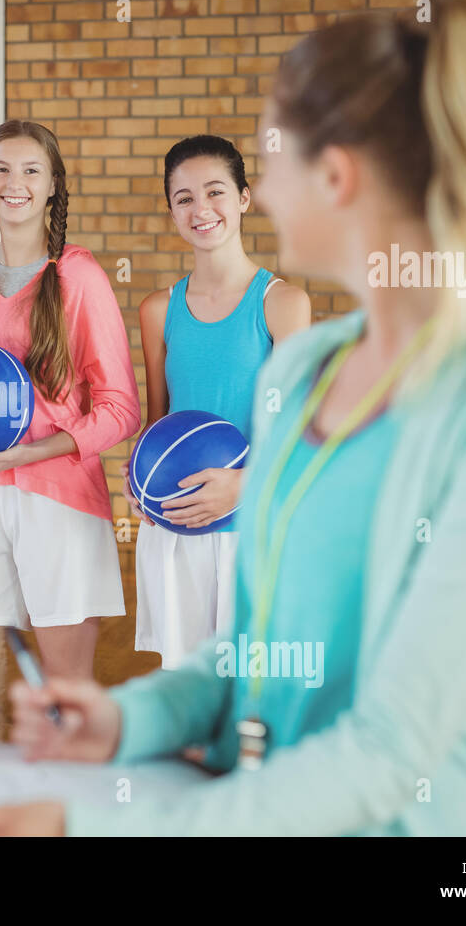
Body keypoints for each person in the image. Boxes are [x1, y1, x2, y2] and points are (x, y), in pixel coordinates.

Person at [0, 0, 466, 836]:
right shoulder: (319, 367)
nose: (231, 197)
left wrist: (95, 824)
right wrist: (132, 722)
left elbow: (393, 743)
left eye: (265, 159)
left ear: (337, 174)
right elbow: (264, 649)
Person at [0, 119, 141, 742]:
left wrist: (28, 451)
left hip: (59, 505)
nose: (15, 183)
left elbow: (122, 408)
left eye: (31, 171)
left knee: (65, 715)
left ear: (52, 187)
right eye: (1, 170)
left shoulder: (80, 278)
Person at [126, 135, 309, 669]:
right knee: (187, 694)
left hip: (253, 528)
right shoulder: (158, 310)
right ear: (171, 212)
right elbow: (157, 422)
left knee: (251, 698)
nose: (200, 209)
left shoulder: (283, 305)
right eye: (183, 198)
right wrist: (139, 479)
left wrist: (243, 484)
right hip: (178, 526)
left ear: (245, 198)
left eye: (215, 192)